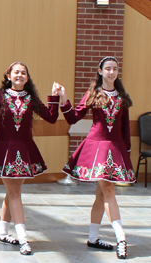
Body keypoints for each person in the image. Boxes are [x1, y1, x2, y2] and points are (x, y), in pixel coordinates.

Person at [0, 62, 61, 255]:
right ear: (9, 76)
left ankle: (3, 232)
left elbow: (51, 118)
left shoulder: (31, 97)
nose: (20, 75)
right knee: (14, 193)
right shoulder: (0, 95)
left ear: (27, 78)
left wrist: (54, 96)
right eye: (16, 72)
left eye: (23, 73)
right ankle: (23, 239)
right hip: (4, 149)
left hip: (25, 148)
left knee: (13, 191)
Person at [59, 56, 133, 259]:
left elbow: (125, 128)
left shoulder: (122, 97)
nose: (111, 72)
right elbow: (73, 117)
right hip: (97, 147)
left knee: (101, 194)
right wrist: (64, 99)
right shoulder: (93, 93)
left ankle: (93, 238)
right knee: (109, 190)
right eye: (107, 68)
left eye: (115, 68)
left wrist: (126, 152)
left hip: (115, 148)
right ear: (100, 71)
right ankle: (121, 238)